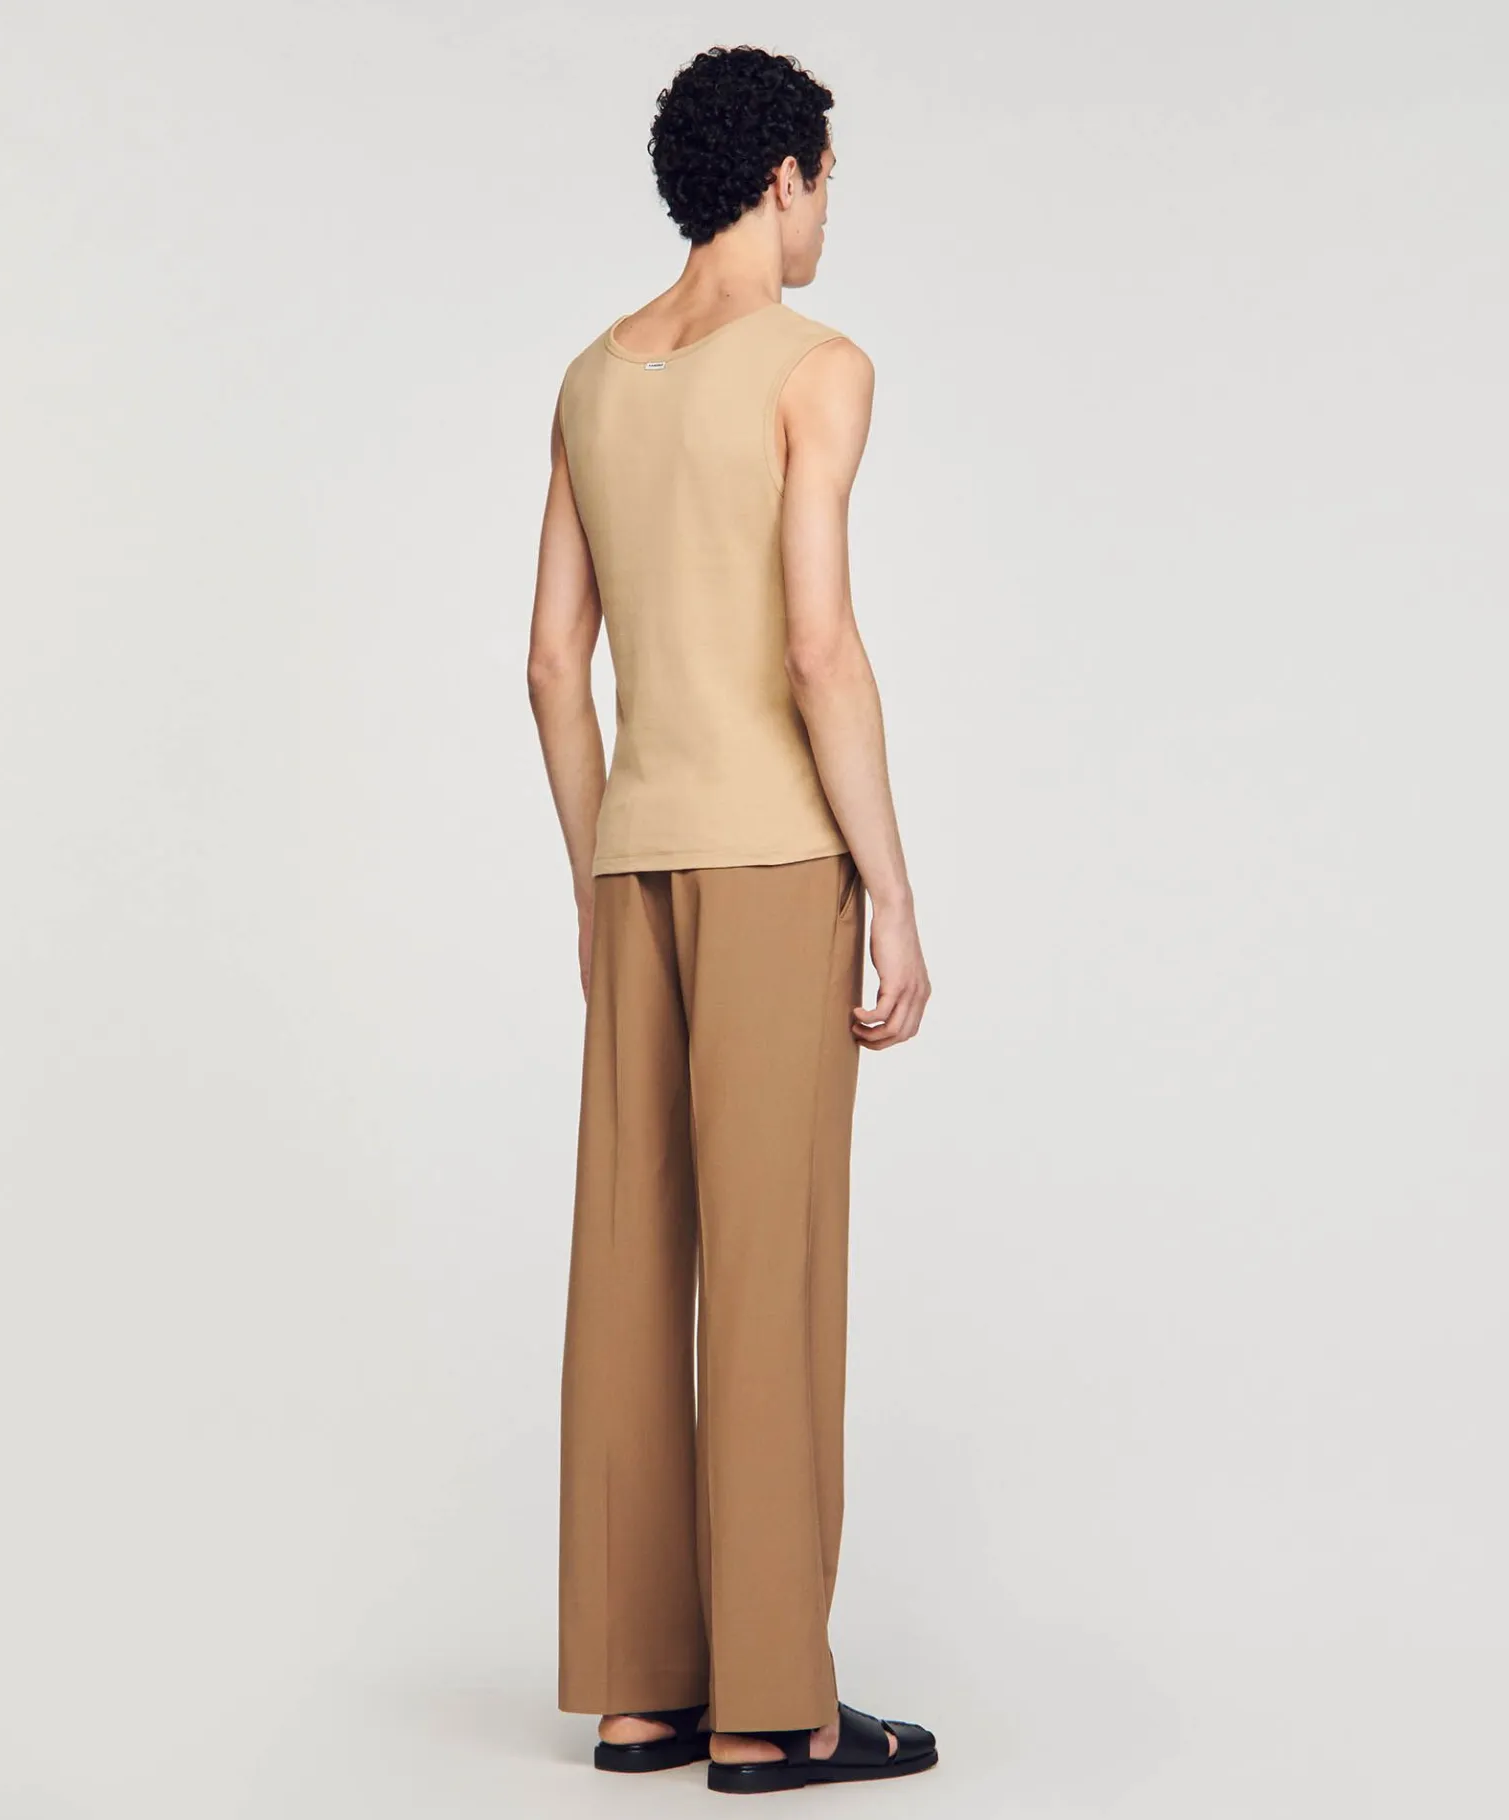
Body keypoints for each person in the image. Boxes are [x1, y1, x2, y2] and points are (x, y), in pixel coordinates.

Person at [525, 45, 937, 1795]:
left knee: (632, 1268)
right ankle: (774, 1707)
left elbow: (552, 666)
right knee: (769, 1276)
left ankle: (641, 1692)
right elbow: (818, 646)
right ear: (784, 176)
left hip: (636, 863)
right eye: (828, 182)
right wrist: (892, 889)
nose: (830, 212)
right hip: (773, 863)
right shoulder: (817, 368)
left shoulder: (590, 379)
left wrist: (594, 878)